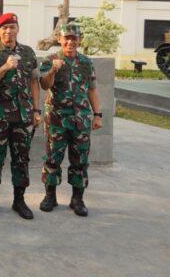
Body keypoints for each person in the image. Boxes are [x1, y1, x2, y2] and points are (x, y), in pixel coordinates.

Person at [0, 12, 41, 219]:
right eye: (4, 28)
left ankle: (19, 200)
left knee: (21, 160)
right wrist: (5, 67)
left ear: (18, 29)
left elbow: (34, 81)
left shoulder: (28, 52)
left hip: (23, 117)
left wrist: (36, 110)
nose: (9, 31)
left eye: (12, 27)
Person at [38, 22, 103, 216]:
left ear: (80, 40)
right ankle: (50, 196)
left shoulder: (86, 62)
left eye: (74, 38)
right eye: (67, 38)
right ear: (60, 39)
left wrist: (97, 114)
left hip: (81, 119)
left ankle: (77, 199)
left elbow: (92, 89)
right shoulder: (50, 59)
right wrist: (52, 71)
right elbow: (44, 85)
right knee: (52, 158)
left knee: (80, 160)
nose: (70, 42)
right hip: (56, 118)